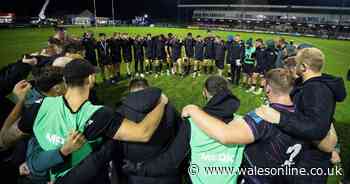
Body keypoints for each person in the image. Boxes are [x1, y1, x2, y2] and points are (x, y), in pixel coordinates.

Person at [0, 59, 168, 183]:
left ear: (65, 81)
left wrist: (20, 100)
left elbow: (5, 139)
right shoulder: (99, 114)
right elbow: (143, 133)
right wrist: (161, 103)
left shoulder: (39, 107)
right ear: (90, 79)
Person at [182, 69, 338, 184]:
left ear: (268, 88)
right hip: (285, 176)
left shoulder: (264, 116)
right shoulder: (306, 117)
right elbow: (328, 144)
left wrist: (193, 110)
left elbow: (225, 135)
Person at [123, 76, 243, 184]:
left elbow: (172, 159)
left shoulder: (192, 123)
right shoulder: (242, 123)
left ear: (204, 93)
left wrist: (139, 168)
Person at [255, 48, 347, 184]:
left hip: (310, 164)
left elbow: (316, 129)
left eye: (296, 62)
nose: (294, 65)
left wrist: (280, 118)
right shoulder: (308, 85)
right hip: (301, 155)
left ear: (303, 67)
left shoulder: (316, 89)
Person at [116, 78, 181, 184]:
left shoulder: (119, 113)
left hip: (136, 173)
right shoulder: (168, 108)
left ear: (130, 92)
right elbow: (180, 138)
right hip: (166, 172)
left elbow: (116, 149)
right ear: (148, 90)